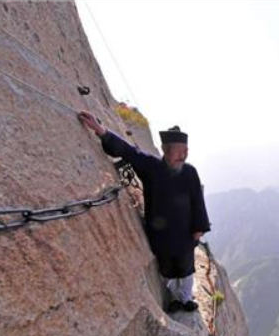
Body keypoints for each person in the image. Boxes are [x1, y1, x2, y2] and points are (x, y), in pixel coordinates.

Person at [78, 111, 211, 312]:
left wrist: (199, 228)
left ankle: (186, 298)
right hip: (161, 233)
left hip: (184, 233)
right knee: (166, 268)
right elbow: (128, 151)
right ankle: (175, 298)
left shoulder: (190, 172)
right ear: (166, 150)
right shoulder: (151, 166)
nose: (183, 155)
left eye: (186, 151)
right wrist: (100, 130)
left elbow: (197, 201)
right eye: (179, 151)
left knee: (186, 268)